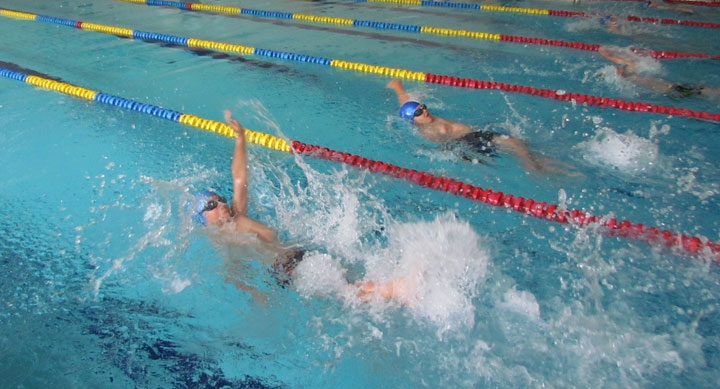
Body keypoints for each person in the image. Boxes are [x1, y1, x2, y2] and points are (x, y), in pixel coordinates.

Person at [193, 110, 411, 301]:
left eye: (220, 198)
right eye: (212, 204)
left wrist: (240, 138)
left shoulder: (237, 215)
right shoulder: (221, 238)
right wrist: (255, 294)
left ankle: (397, 292)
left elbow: (239, 178)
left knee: (349, 287)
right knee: (347, 291)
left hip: (298, 255)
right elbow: (231, 271)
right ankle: (397, 291)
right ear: (203, 218)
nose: (221, 203)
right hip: (287, 270)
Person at [386, 80, 557, 172]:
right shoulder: (426, 129)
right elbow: (444, 147)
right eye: (418, 113)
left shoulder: (424, 117)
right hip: (468, 143)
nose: (424, 111)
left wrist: (398, 88)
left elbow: (407, 105)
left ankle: (535, 163)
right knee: (512, 146)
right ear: (412, 120)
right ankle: (534, 168)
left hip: (474, 137)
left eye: (423, 107)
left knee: (517, 144)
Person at [598, 46, 719, 98]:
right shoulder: (630, 77)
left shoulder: (630, 76)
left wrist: (605, 53)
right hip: (672, 90)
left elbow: (630, 63)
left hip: (672, 89)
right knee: (703, 91)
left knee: (703, 91)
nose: (617, 68)